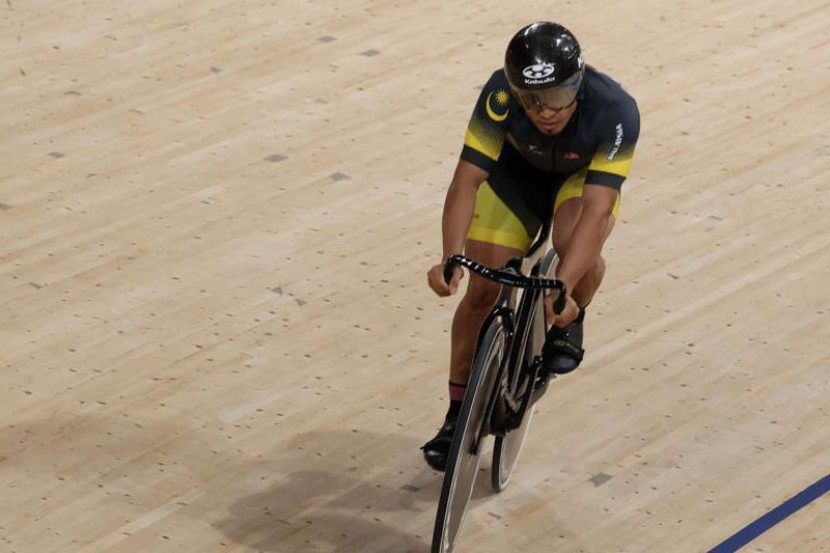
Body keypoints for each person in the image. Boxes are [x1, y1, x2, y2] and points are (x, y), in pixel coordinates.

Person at [422, 21, 640, 471]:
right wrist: (449, 256)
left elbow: (598, 210)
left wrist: (564, 285)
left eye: (558, 96)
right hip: (515, 178)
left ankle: (571, 318)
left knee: (573, 244)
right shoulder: (499, 95)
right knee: (482, 290)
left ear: (578, 82)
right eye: (532, 99)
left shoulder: (615, 111)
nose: (545, 111)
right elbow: (466, 181)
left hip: (579, 183)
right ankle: (456, 415)